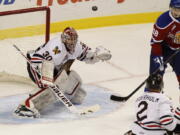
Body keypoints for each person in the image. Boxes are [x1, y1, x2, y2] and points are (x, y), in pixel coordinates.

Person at [14, 27, 111, 118]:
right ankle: (26, 106)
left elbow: (87, 57)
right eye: (69, 39)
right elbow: (46, 65)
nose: (72, 42)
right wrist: (49, 81)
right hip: (37, 64)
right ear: (63, 39)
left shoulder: (77, 46)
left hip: (54, 65)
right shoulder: (56, 48)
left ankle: (51, 91)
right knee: (51, 86)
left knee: (78, 95)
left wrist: (97, 56)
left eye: (73, 39)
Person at [149, 0, 180, 90]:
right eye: (175, 9)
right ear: (170, 8)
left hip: (177, 50)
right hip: (162, 49)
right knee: (154, 79)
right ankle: (151, 99)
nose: (177, 12)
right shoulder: (163, 21)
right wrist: (159, 58)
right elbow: (155, 43)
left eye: (179, 10)